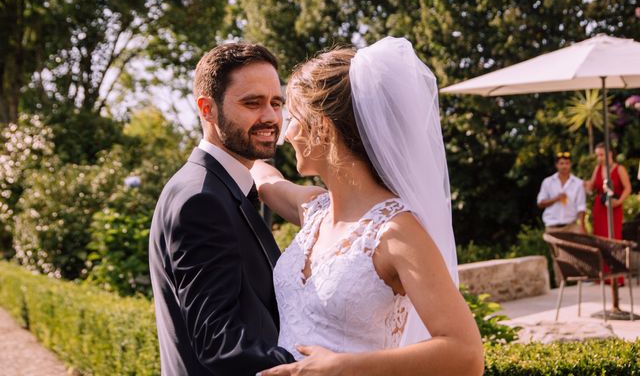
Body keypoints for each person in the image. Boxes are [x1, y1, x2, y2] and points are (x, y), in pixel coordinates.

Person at [253, 37, 484, 376]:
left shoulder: (396, 232)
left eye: (294, 118)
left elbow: (466, 354)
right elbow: (266, 181)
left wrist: (344, 368)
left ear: (323, 129)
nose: (287, 133)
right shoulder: (314, 210)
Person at [148, 43, 295, 375]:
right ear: (207, 109)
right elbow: (220, 344)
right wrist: (325, 366)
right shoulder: (201, 200)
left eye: (276, 102)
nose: (271, 117)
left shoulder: (218, 187)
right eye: (252, 103)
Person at [586, 143, 632, 294]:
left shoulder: (619, 169)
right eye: (598, 155)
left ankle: (616, 278)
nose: (599, 158)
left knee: (614, 241)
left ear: (610, 153)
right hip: (600, 209)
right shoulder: (597, 169)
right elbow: (592, 186)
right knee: (599, 240)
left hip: (614, 208)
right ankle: (602, 276)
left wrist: (619, 201)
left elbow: (628, 188)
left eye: (602, 154)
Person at [536, 151, 587, 234]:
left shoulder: (578, 183)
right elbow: (540, 203)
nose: (564, 166)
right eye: (561, 163)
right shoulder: (548, 182)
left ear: (570, 165)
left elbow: (581, 207)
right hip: (552, 226)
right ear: (556, 165)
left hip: (571, 226)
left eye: (567, 163)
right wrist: (556, 199)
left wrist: (582, 226)